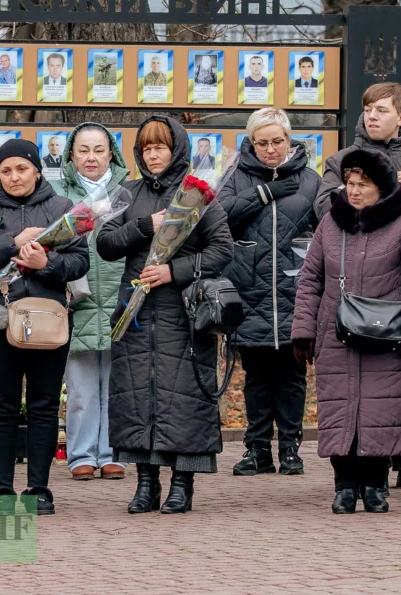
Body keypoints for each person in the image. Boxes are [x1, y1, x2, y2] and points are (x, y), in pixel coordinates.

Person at [97, 116, 233, 514]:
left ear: (177, 151)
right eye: (147, 148)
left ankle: (181, 483)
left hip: (184, 314)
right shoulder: (127, 192)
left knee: (183, 396)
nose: (153, 155)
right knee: (137, 396)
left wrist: (174, 271)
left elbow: (222, 251)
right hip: (135, 314)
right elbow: (105, 243)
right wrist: (144, 226)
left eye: (161, 147)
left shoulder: (198, 194)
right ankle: (145, 484)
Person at [292, 148, 401, 513]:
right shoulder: (330, 223)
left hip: (387, 335)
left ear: (382, 188)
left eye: (362, 185)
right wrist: (304, 330)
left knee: (380, 411)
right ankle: (344, 486)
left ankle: (374, 485)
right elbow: (310, 280)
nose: (353, 192)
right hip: (335, 332)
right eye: (349, 183)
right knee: (339, 408)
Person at [316, 82, 401, 490]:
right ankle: (364, 465)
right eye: (368, 108)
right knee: (361, 376)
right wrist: (379, 196)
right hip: (353, 285)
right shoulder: (341, 160)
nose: (371, 116)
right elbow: (322, 208)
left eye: (382, 109)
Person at [0, 139, 90, 515]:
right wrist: (10, 243)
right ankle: (2, 489)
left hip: (49, 318)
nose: (14, 177)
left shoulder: (63, 209)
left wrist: (45, 264)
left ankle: (39, 488)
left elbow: (80, 262)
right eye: (6, 171)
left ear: (37, 170)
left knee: (44, 405)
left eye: (21, 168)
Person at [218, 108, 321, 476]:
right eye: (262, 142)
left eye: (277, 141)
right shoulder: (234, 176)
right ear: (251, 143)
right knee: (257, 377)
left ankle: (291, 449)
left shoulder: (311, 179)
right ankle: (257, 449)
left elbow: (325, 228)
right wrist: (262, 193)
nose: (270, 149)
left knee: (292, 376)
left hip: (296, 292)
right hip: (250, 291)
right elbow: (220, 216)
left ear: (289, 140)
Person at [48, 122, 130, 481]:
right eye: (83, 150)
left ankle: (114, 452)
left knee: (117, 384)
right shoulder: (55, 193)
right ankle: (81, 453)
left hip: (119, 297)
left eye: (99, 149)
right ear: (71, 155)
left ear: (111, 152)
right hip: (76, 298)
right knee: (80, 387)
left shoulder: (129, 191)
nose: (91, 157)